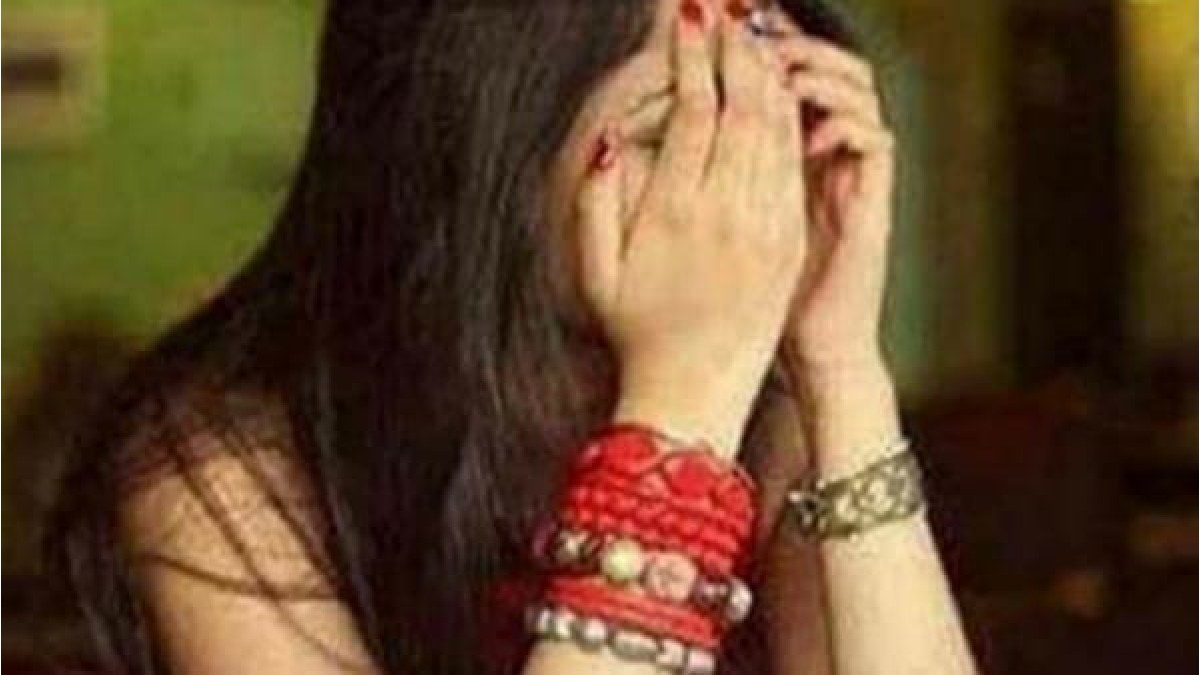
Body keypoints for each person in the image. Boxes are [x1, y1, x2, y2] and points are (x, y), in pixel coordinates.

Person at [48, 0, 978, 673]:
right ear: (480, 142)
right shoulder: (222, 471)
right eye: (676, 138)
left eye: (768, 128)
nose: (746, 204)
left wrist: (842, 367)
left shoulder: (770, 412)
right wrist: (676, 421)